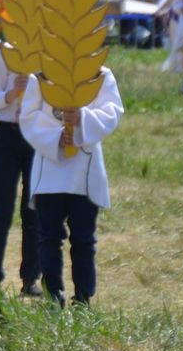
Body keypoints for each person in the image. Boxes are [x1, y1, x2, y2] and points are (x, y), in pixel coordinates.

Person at [18, 67, 124, 307]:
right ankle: (53, 295)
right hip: (50, 170)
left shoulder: (99, 73)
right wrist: (55, 136)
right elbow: (29, 116)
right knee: (48, 238)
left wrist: (82, 119)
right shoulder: (41, 75)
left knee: (84, 238)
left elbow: (112, 110)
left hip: (84, 173)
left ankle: (83, 297)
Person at [0, 40, 39, 295]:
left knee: (34, 209)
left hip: (36, 136)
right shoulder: (2, 53)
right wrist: (11, 93)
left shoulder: (46, 50)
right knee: (1, 208)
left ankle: (31, 278)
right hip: (7, 134)